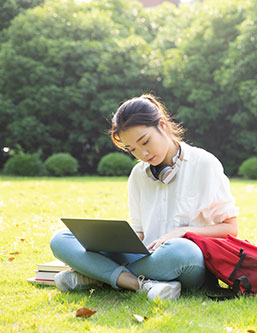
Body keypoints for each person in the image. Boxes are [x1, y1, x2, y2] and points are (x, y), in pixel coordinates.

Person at [50, 94, 239, 301]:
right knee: (61, 239)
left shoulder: (204, 164)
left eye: (145, 142)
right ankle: (139, 284)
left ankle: (97, 275)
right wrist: (112, 243)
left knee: (181, 250)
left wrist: (183, 231)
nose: (143, 154)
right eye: (133, 150)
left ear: (163, 126)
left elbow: (230, 229)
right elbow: (140, 232)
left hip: (187, 261)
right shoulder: (139, 174)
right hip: (148, 258)